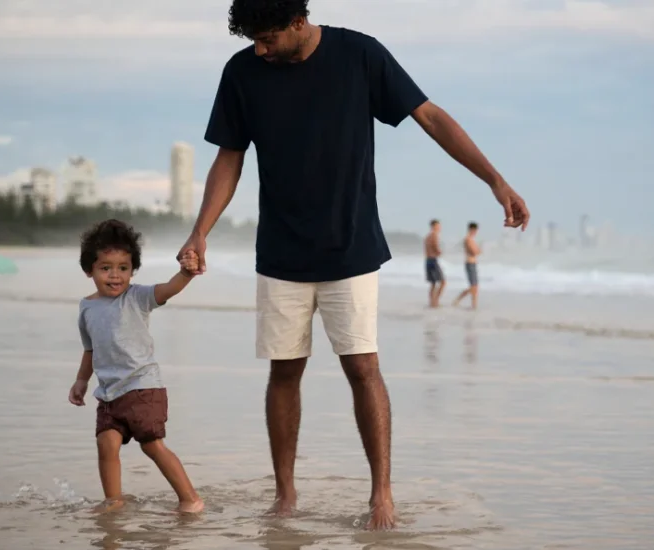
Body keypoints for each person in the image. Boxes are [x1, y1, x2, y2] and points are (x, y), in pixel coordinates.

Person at [177, 0, 529, 530]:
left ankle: (381, 495)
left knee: (363, 369)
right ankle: (286, 494)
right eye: (253, 39)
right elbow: (230, 156)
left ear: (298, 22)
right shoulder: (243, 71)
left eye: (268, 37)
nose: (260, 49)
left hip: (352, 248)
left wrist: (495, 181)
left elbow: (429, 116)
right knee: (283, 372)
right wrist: (200, 229)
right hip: (280, 250)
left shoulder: (359, 54)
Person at [68, 219, 205, 514]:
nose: (115, 276)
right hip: (108, 394)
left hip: (142, 387)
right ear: (88, 270)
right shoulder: (87, 307)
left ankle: (190, 498)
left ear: (133, 269)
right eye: (106, 268)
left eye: (123, 268)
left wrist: (186, 272)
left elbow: (169, 289)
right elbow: (91, 348)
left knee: (152, 445)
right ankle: (113, 501)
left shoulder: (137, 297)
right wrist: (81, 381)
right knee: (106, 444)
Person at [452, 222, 481, 309]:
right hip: (470, 263)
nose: (476, 232)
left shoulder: (471, 240)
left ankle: (474, 305)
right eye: (475, 230)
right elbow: (474, 252)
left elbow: (477, 251)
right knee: (473, 287)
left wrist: (477, 250)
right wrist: (477, 250)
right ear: (472, 229)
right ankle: (457, 299)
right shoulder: (468, 239)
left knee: (475, 287)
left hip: (472, 263)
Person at [424, 219, 446, 308]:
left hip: (428, 261)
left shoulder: (427, 236)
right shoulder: (434, 235)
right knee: (443, 282)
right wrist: (440, 252)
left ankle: (432, 303)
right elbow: (436, 248)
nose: (439, 228)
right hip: (433, 260)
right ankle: (435, 302)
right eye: (438, 226)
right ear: (433, 226)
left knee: (433, 283)